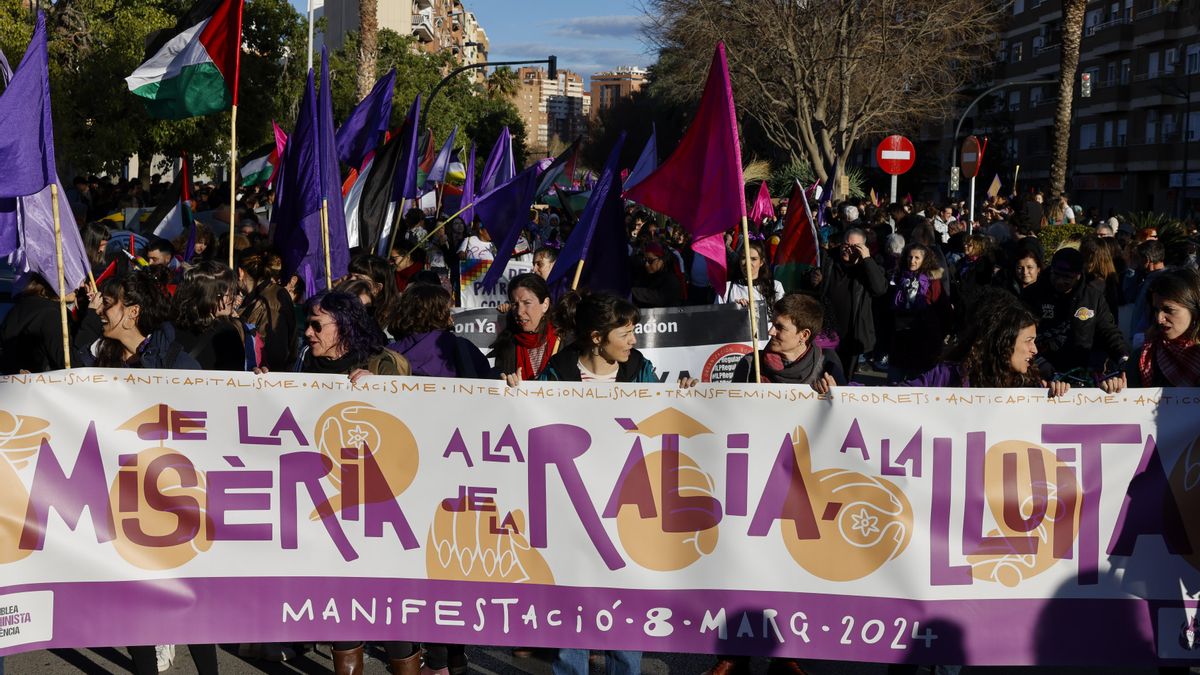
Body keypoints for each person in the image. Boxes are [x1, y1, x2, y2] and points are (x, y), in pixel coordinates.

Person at [903, 289, 1069, 398]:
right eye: (1028, 341)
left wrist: (1057, 397)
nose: (1035, 350)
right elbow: (891, 400)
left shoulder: (1035, 386)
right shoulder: (949, 375)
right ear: (1003, 342)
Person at [1020, 247, 1128, 378]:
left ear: (1078, 275)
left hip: (1080, 374)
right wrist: (1038, 361)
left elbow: (1108, 331)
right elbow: (1018, 334)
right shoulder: (1031, 295)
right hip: (1041, 370)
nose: (1060, 281)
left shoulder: (1093, 298)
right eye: (1056, 274)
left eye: (1067, 277)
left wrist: (1122, 356)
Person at [808, 227, 887, 380]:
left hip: (852, 333)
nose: (847, 250)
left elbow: (880, 289)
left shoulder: (869, 267)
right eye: (845, 245)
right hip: (826, 330)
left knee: (844, 377)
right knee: (821, 374)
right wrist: (812, 278)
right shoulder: (828, 259)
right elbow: (808, 274)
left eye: (854, 247)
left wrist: (867, 260)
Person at [731, 292, 843, 389]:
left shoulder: (827, 366)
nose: (771, 332)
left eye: (780, 327)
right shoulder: (751, 364)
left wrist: (835, 397)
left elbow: (846, 411)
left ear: (804, 335)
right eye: (773, 324)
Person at [1110, 268, 1200, 388]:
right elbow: (1129, 402)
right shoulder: (1143, 358)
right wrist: (1118, 391)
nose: (1159, 319)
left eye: (1169, 310)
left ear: (1195, 311)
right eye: (1156, 310)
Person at [389, 283, 493, 379]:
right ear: (439, 314)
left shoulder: (388, 353)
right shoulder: (461, 347)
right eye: (448, 310)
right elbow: (486, 378)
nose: (451, 316)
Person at [887, 243, 948, 382]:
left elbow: (942, 308)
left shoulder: (933, 281)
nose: (912, 261)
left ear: (924, 260)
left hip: (923, 339)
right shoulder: (897, 277)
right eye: (910, 257)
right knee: (894, 382)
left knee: (918, 383)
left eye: (916, 258)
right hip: (900, 338)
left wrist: (939, 335)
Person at [171, 261, 248, 370]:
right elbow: (234, 376)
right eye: (229, 293)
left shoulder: (170, 326)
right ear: (210, 296)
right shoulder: (226, 333)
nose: (233, 298)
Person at [490, 274, 559, 386]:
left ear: (545, 304)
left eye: (527, 303)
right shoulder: (506, 346)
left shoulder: (563, 341)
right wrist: (503, 384)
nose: (519, 312)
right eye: (515, 304)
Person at [236, 247, 297, 372]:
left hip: (267, 378)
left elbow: (276, 347)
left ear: (240, 272)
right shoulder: (255, 297)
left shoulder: (273, 298)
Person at [0, 274, 72, 373]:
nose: (78, 286)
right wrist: (91, 320)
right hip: (40, 382)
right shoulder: (51, 313)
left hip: (19, 381)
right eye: (71, 280)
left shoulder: (22, 306)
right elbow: (69, 362)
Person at [717, 240, 784, 310]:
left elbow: (783, 318)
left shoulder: (775, 286)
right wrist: (733, 310)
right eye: (744, 258)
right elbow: (717, 318)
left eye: (753, 259)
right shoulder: (726, 289)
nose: (748, 263)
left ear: (761, 262)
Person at [631, 242, 685, 308]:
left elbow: (658, 297)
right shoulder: (649, 272)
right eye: (645, 260)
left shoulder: (671, 280)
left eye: (650, 260)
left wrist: (631, 291)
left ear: (662, 260)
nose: (646, 264)